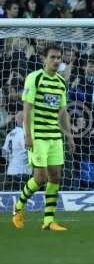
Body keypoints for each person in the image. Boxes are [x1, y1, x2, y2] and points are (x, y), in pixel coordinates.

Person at [12, 45, 75, 231]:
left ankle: (49, 221)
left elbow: (63, 112)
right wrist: (28, 135)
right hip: (38, 135)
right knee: (40, 177)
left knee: (55, 176)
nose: (57, 61)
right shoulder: (35, 78)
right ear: (44, 59)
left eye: (59, 58)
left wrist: (69, 136)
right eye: (53, 57)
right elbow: (27, 108)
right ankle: (18, 208)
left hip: (55, 136)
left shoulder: (61, 83)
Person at [2, 111, 32, 190]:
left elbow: (4, 152)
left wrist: (12, 160)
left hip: (10, 171)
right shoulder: (24, 133)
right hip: (22, 172)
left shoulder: (10, 134)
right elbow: (28, 149)